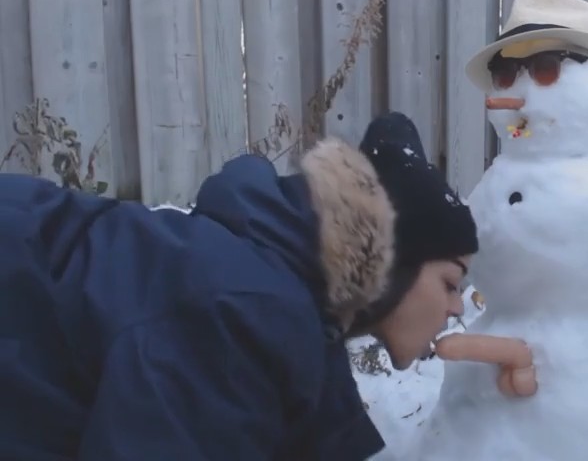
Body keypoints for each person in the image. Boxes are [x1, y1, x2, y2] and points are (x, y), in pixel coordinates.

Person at [0, 111, 479, 460]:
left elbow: (317, 430)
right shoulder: (245, 311)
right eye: (450, 283)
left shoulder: (285, 303)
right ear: (397, 263)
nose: (457, 307)